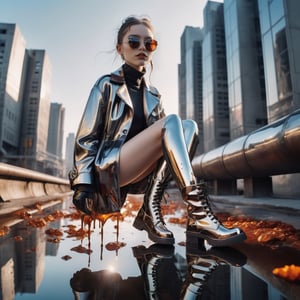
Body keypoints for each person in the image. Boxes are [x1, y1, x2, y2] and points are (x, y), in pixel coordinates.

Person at [69, 15, 246, 247]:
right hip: (110, 170)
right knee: (171, 121)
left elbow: (167, 145)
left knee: (188, 127)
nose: (142, 47)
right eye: (134, 42)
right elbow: (86, 137)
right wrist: (83, 183)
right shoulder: (106, 85)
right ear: (120, 48)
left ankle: (151, 210)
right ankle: (200, 214)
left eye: (149, 44)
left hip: (141, 174)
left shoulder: (154, 95)